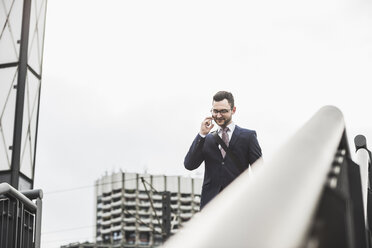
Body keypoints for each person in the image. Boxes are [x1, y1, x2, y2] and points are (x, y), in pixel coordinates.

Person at [184, 91, 262, 209]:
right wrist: (201, 135)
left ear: (233, 110)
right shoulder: (206, 139)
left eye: (223, 111)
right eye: (215, 111)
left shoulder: (248, 137)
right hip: (210, 206)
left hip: (239, 203)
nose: (218, 115)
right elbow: (189, 164)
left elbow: (259, 171)